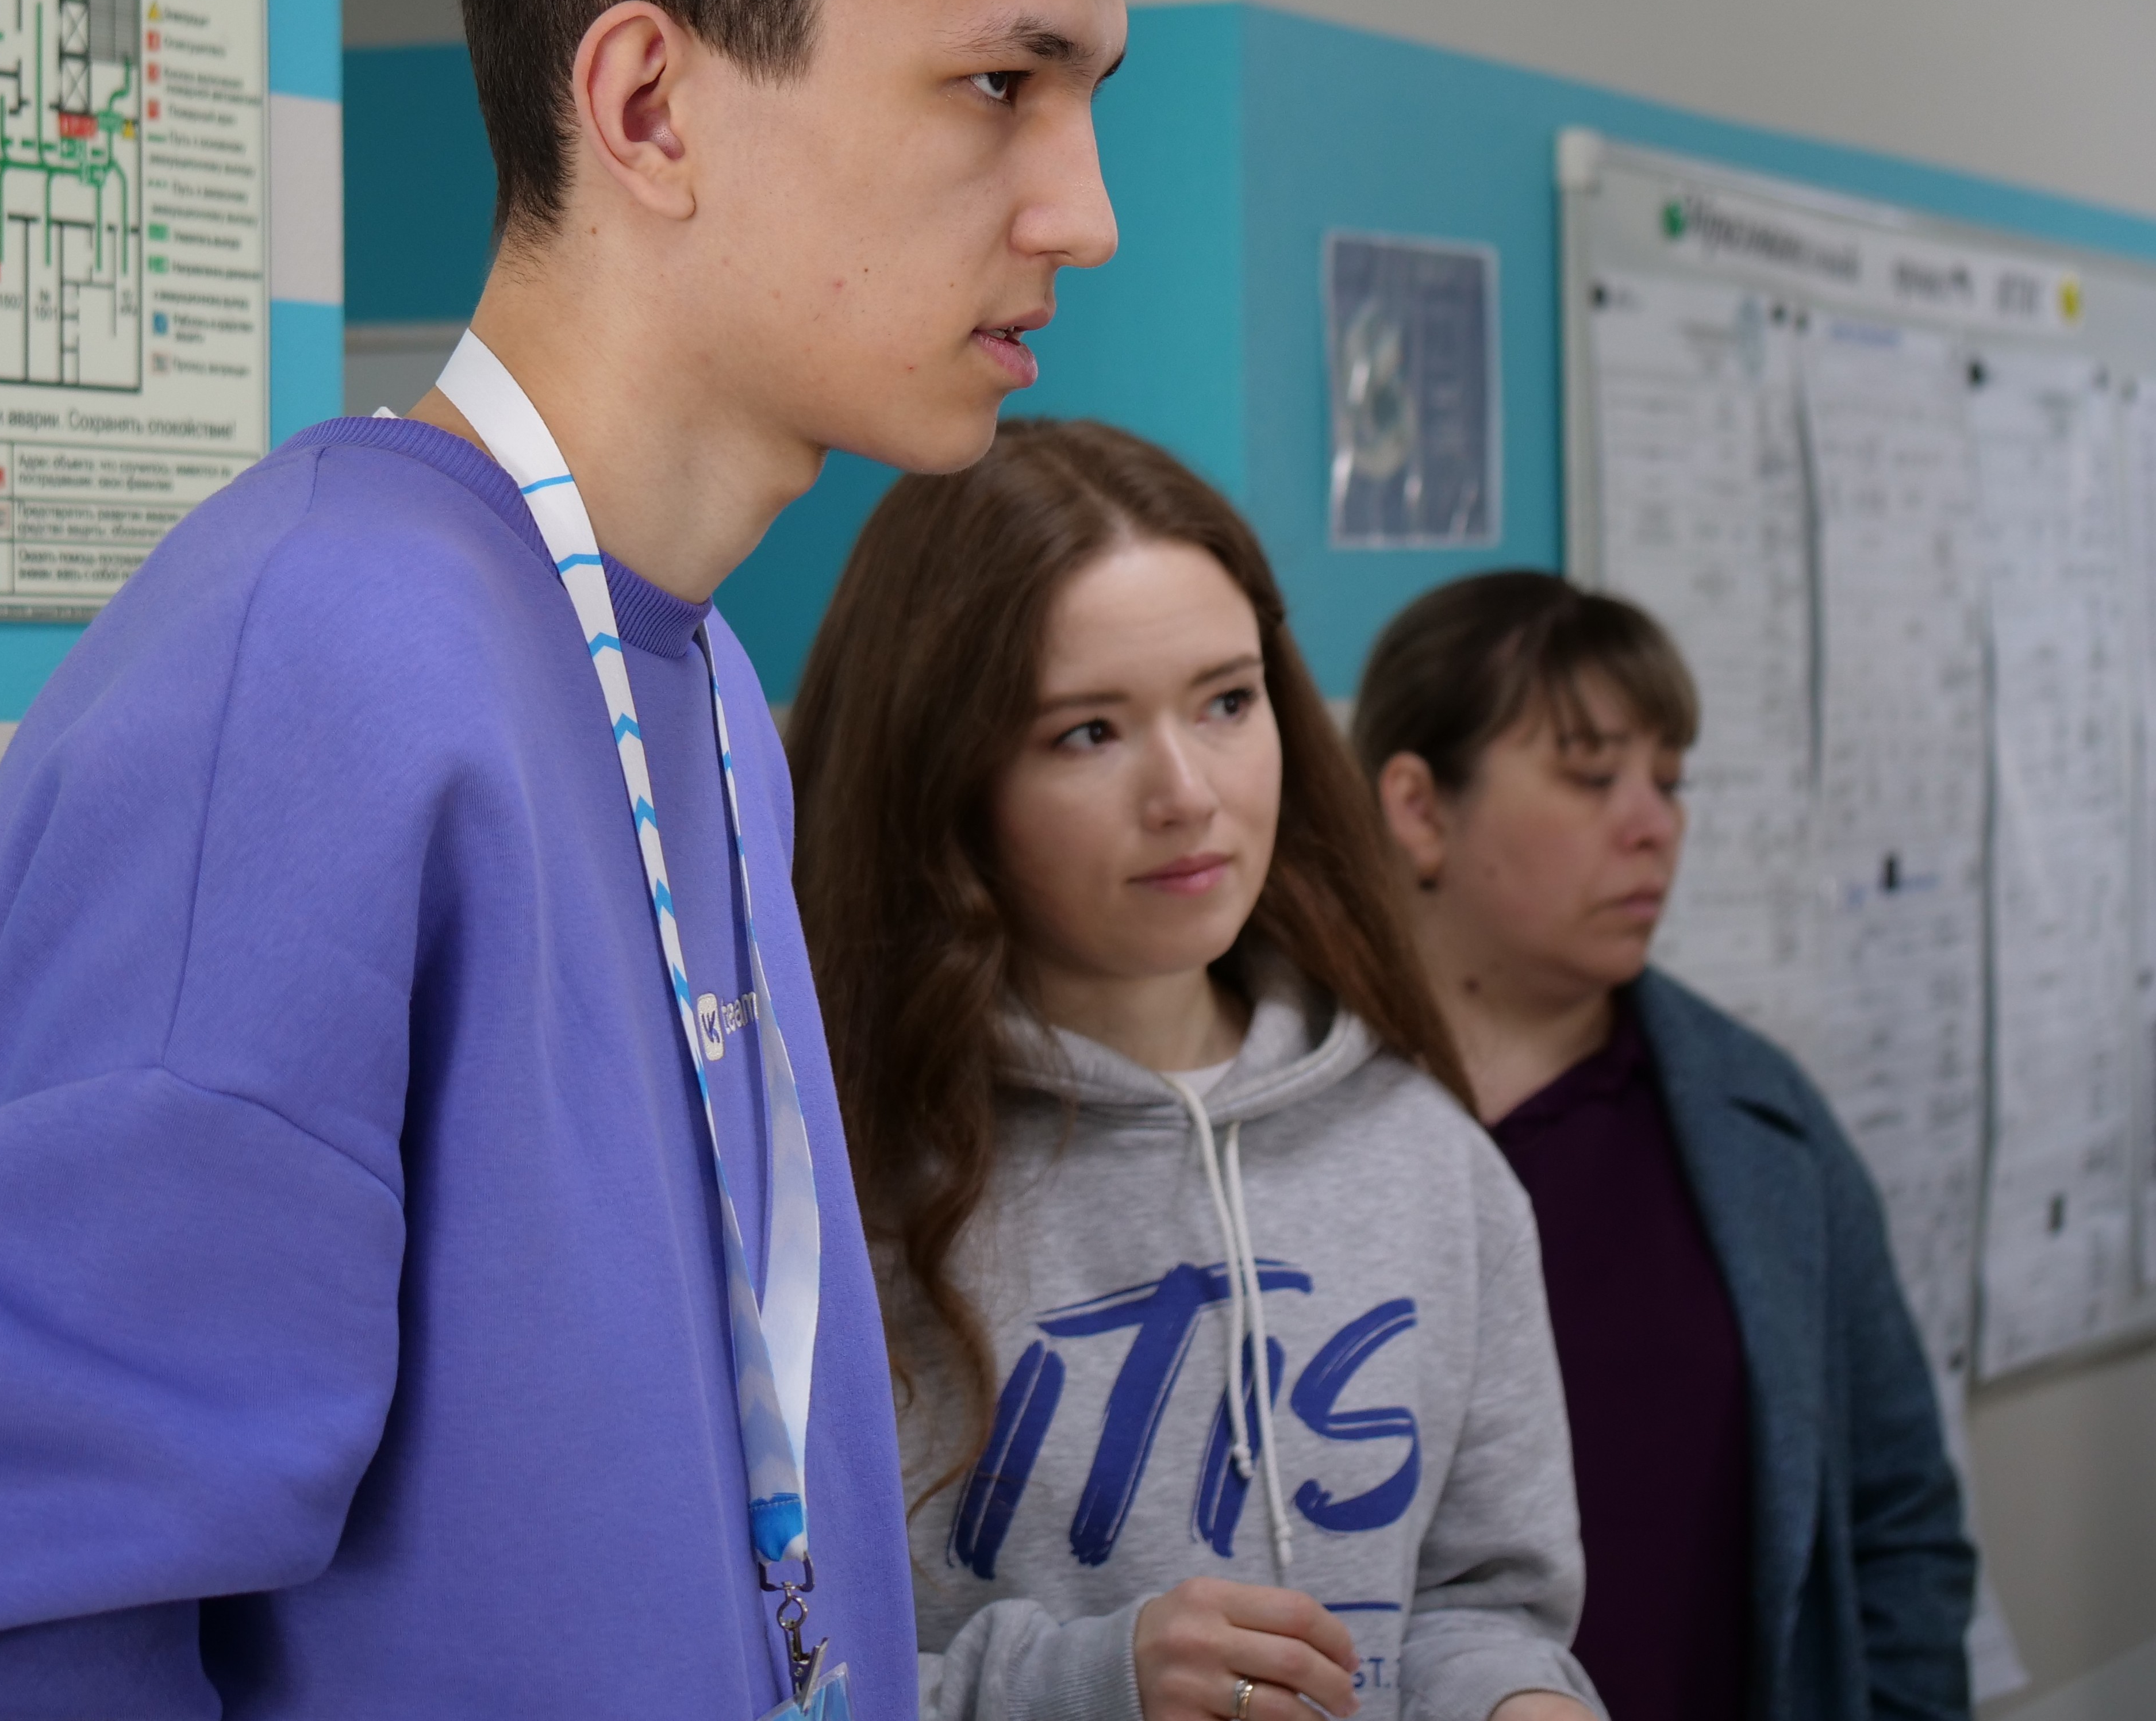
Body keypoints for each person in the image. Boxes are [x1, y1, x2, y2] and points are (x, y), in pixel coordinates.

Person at [0, 0, 1151, 1719]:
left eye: (1084, 95)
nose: (1083, 208)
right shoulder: (313, 667)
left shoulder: (696, 686)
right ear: (650, 105)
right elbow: (0, 1626)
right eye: (999, 86)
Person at [789, 420, 1603, 1721]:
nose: (1186, 794)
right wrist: (1086, 1689)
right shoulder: (826, 1189)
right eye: (1087, 733)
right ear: (943, 774)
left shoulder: (1429, 1158)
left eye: (1228, 702)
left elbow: (1479, 1606)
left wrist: (1520, 1702)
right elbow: (758, 1665)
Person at [1351, 571, 1976, 1721]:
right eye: (1593, 778)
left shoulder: (1763, 1127)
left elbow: (1898, 1521)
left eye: (1670, 783)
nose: (1653, 827)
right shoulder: (1292, 1127)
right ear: (1421, 809)